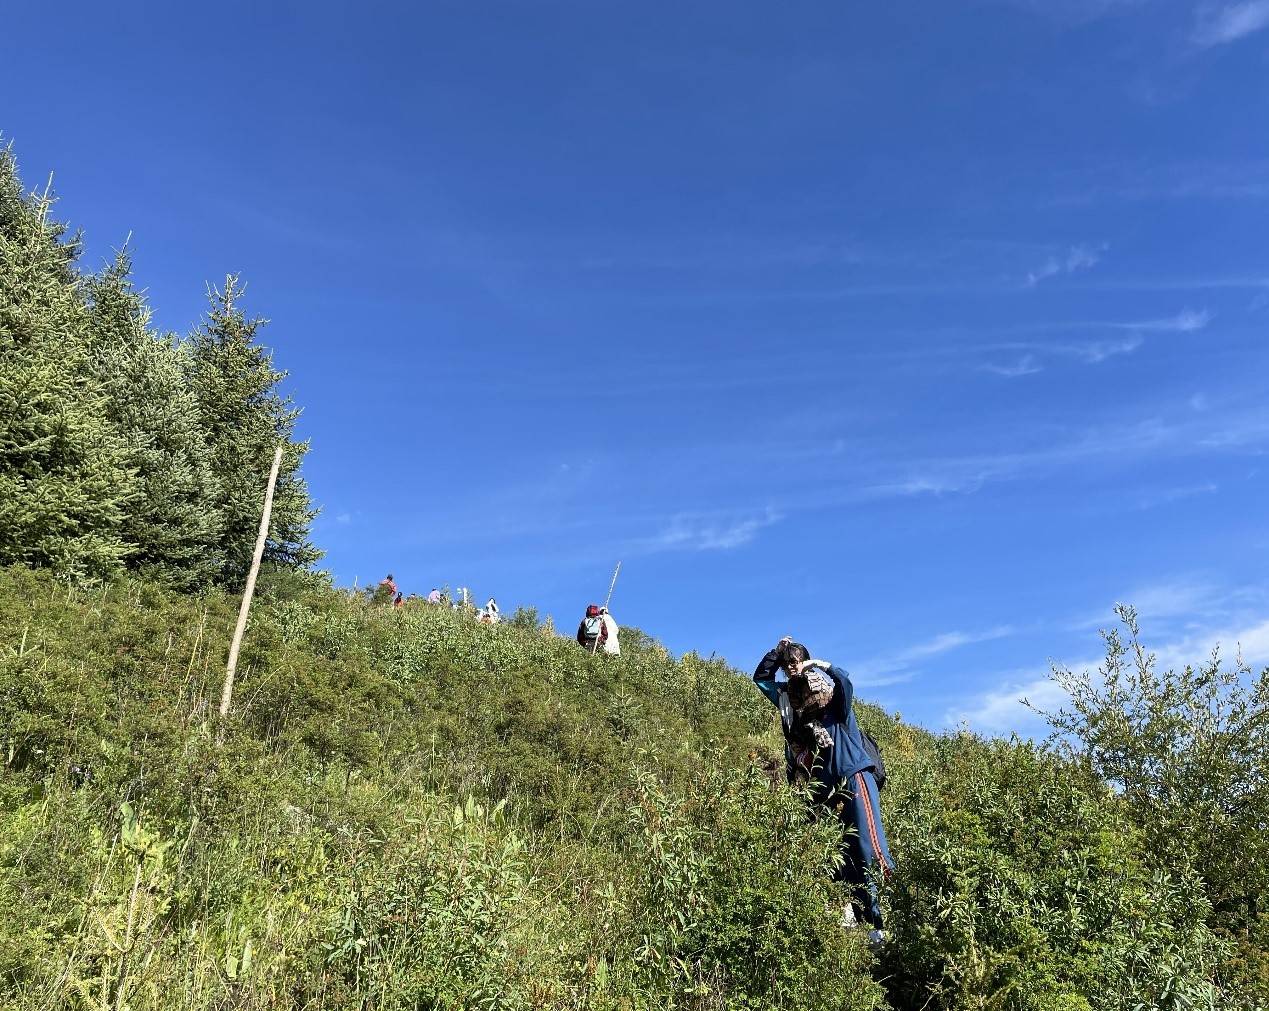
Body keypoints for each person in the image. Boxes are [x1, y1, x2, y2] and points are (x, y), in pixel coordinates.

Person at [753, 638, 893, 944]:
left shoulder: (838, 708)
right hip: (823, 786)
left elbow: (844, 682)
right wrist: (778, 652)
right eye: (789, 666)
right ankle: (857, 917)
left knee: (870, 848)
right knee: (839, 850)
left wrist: (819, 666)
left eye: (808, 683)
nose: (806, 693)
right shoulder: (799, 715)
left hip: (854, 777)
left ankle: (889, 915)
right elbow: (762, 679)